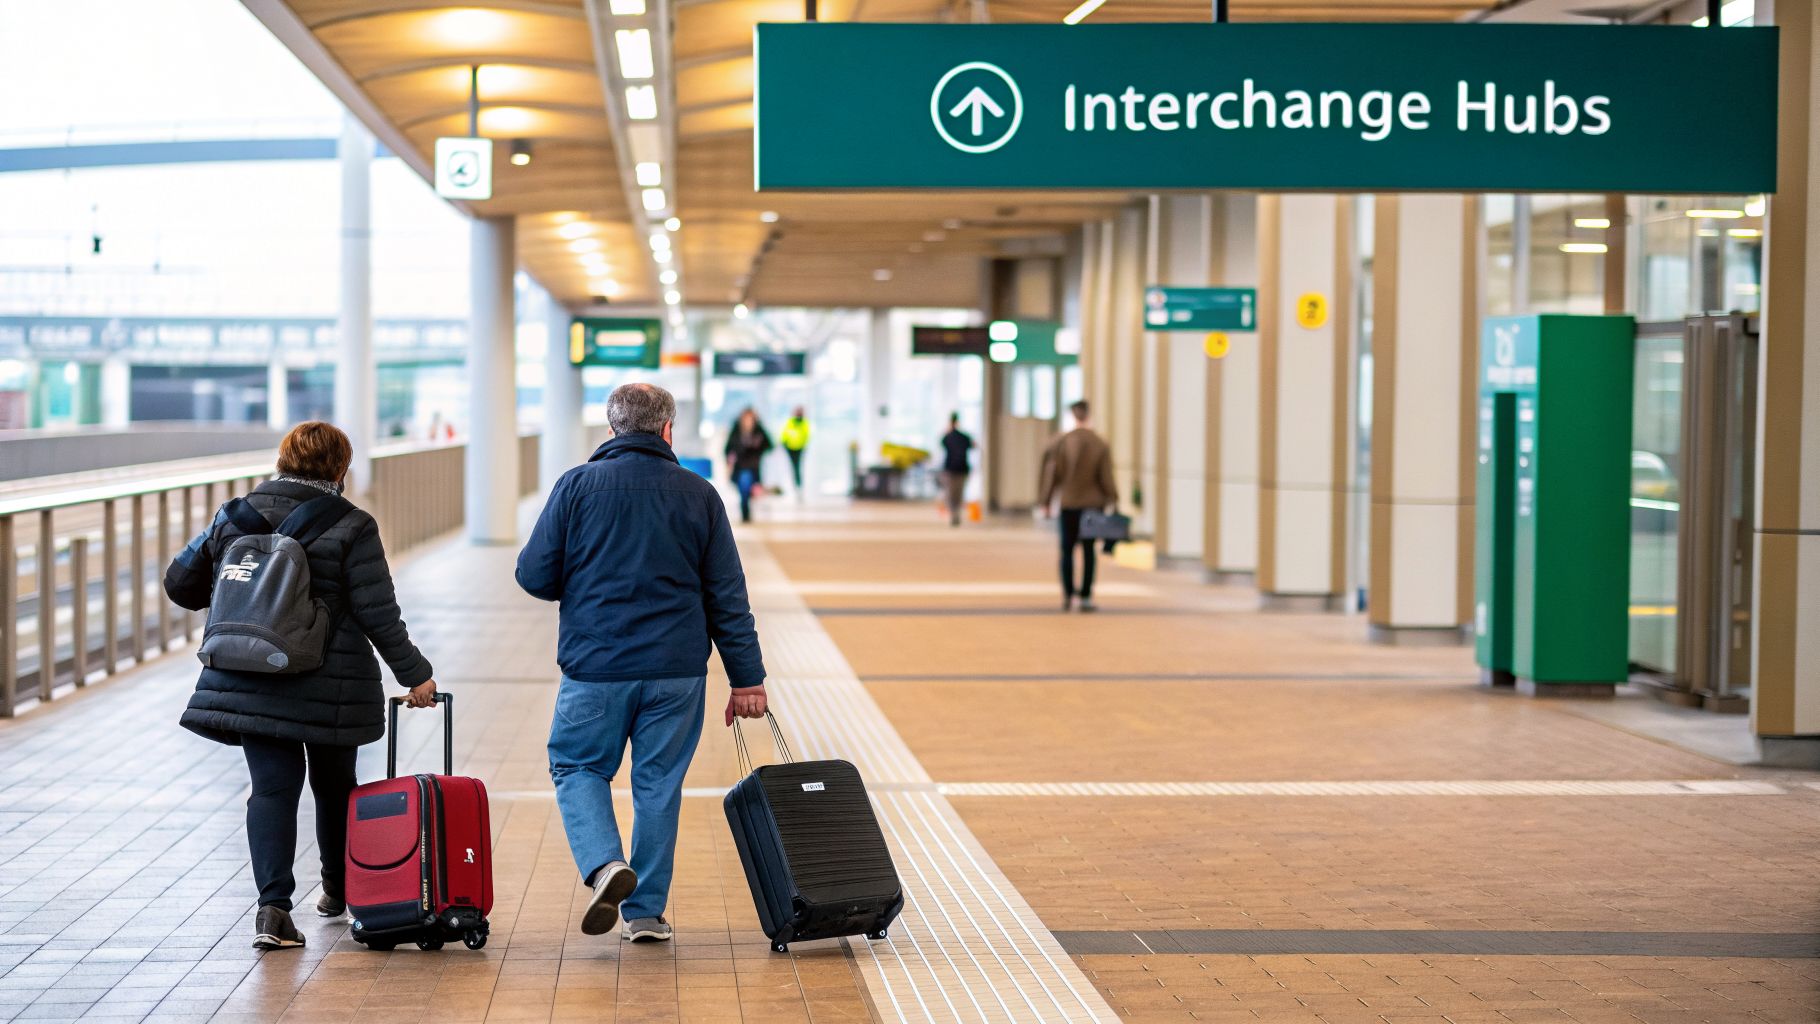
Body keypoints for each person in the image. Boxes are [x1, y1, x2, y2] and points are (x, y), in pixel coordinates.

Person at [164, 421, 437, 950]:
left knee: (271, 788)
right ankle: (338, 890)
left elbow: (181, 583)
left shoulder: (234, 514)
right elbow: (377, 612)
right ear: (340, 469)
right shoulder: (352, 524)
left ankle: (273, 912)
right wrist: (416, 674)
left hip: (249, 673)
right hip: (328, 680)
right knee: (335, 787)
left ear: (283, 459)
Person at [517, 383, 768, 943]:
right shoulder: (698, 494)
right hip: (677, 672)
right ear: (667, 429)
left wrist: (581, 578)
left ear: (611, 429)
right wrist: (747, 678)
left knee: (578, 766)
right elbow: (727, 595)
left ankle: (607, 865)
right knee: (658, 785)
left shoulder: (577, 487)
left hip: (596, 667)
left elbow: (534, 575)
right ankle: (646, 914)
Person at [1038, 400, 1118, 613]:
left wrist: (1046, 501)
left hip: (1069, 503)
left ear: (1072, 415)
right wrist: (1113, 498)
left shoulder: (1062, 442)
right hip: (1093, 505)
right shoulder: (1099, 443)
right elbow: (1107, 477)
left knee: (1066, 550)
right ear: (1088, 415)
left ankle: (1067, 595)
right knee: (1089, 550)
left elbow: (1052, 474)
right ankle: (1085, 596)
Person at [724, 407, 773, 524]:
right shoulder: (736, 431)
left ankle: (746, 510)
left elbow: (769, 445)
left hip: (754, 467)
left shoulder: (759, 431)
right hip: (740, 467)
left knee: (746, 487)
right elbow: (727, 449)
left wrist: (758, 447)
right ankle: (745, 512)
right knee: (744, 488)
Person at [939, 413, 974, 527]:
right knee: (959, 493)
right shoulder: (965, 437)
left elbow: (942, 444)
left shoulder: (947, 437)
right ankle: (956, 512)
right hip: (962, 468)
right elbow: (973, 446)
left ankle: (954, 513)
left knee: (950, 493)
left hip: (950, 469)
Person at [779, 406, 811, 498]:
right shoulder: (791, 422)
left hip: (799, 448)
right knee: (793, 468)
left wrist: (802, 445)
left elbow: (806, 435)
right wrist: (784, 443)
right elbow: (785, 433)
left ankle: (799, 487)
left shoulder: (804, 423)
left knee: (797, 468)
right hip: (790, 448)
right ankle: (796, 487)